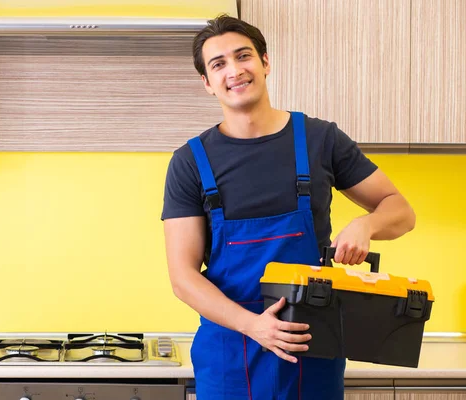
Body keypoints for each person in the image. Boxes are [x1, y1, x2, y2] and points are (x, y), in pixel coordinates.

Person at [161, 14, 416, 400]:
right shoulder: (190, 162)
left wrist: (366, 224)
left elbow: (400, 210)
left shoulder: (320, 140)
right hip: (231, 353)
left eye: (243, 56)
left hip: (313, 348)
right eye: (219, 64)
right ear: (207, 84)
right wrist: (253, 326)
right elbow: (183, 277)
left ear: (265, 62)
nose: (234, 70)